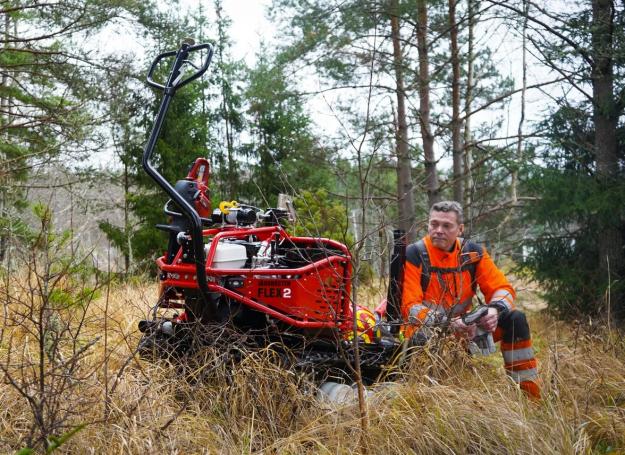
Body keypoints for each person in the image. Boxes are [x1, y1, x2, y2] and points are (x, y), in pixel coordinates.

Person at [401, 200, 540, 399]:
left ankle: (530, 397)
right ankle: (426, 398)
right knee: (421, 339)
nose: (438, 230)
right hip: (424, 338)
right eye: (434, 224)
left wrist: (494, 311)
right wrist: (448, 324)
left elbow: (504, 289)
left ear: (460, 229)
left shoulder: (473, 253)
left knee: (515, 319)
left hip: (465, 333)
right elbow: (410, 308)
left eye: (446, 226)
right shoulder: (414, 254)